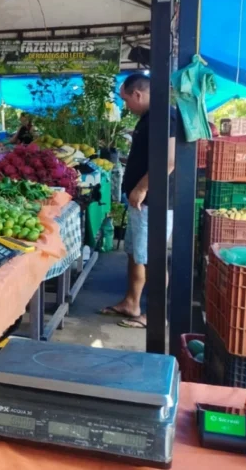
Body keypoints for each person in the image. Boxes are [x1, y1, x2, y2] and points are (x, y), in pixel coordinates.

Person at [99, 73, 176, 329]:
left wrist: (142, 188)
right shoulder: (147, 118)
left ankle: (155, 315)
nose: (125, 106)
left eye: (125, 100)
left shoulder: (167, 116)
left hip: (154, 202)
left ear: (138, 94)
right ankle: (131, 303)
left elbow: (169, 160)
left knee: (152, 258)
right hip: (140, 202)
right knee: (135, 254)